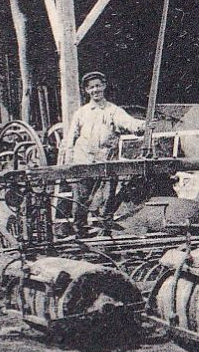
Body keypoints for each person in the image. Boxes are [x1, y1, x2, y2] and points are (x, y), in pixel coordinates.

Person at [61, 72, 146, 236]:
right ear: (87, 90)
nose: (95, 90)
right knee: (80, 201)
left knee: (106, 201)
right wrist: (69, 166)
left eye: (98, 86)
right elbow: (70, 140)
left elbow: (129, 123)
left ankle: (104, 236)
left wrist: (143, 125)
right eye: (91, 87)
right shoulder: (81, 113)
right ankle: (80, 234)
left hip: (106, 164)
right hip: (84, 163)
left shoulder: (113, 111)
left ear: (104, 86)